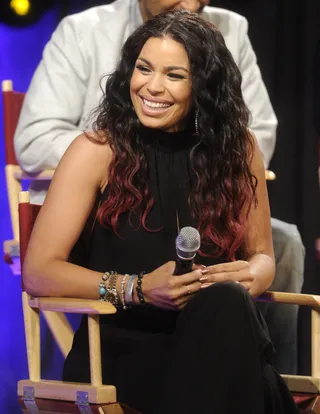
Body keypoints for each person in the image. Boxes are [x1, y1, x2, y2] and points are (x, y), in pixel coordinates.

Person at [23, 10, 299, 413]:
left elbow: (262, 256)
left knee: (226, 303)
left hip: (218, 343)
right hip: (124, 354)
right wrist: (136, 288)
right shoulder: (96, 152)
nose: (151, 87)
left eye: (174, 75)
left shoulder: (239, 150)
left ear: (203, 87)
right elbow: (39, 271)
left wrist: (254, 274)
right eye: (143, 69)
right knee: (241, 347)